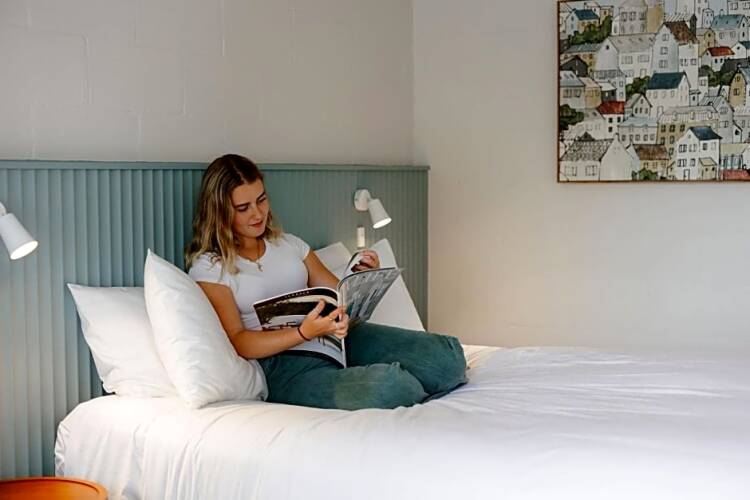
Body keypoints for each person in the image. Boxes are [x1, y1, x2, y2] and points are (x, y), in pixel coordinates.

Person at [186, 154, 467, 410]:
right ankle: (402, 385)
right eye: (243, 208)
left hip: (335, 337)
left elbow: (339, 295)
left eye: (261, 200)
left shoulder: (289, 244)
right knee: (391, 386)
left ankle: (406, 383)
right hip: (285, 365)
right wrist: (302, 333)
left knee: (447, 358)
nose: (257, 214)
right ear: (221, 211)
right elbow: (239, 342)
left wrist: (360, 275)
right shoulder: (211, 268)